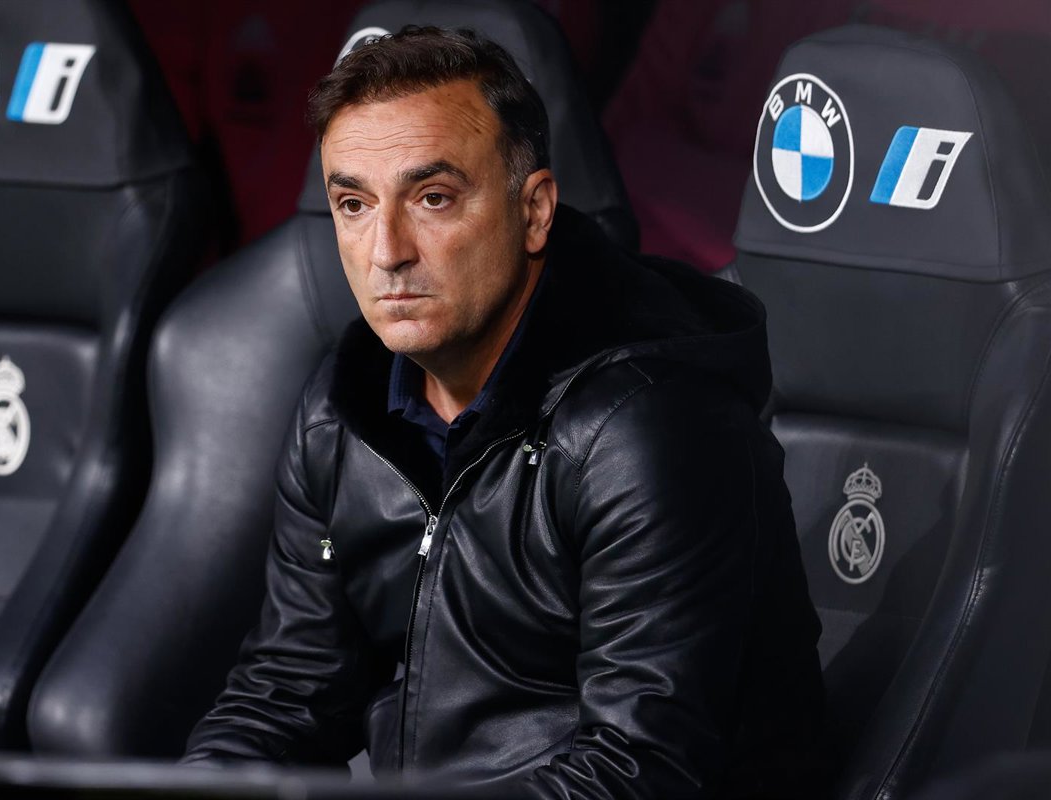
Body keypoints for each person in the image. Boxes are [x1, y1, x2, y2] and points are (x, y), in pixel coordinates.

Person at [182, 25, 824, 798]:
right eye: (353, 203)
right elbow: (287, 696)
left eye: (433, 199)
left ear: (535, 211)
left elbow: (640, 770)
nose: (386, 250)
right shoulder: (343, 410)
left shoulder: (645, 427)